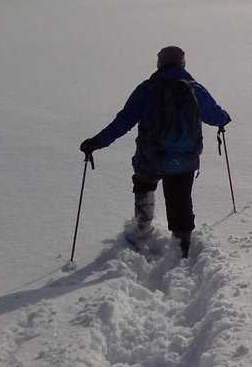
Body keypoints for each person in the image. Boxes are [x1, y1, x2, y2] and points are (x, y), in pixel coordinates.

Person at [79, 45, 232, 259]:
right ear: (182, 63)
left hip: (150, 157)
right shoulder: (194, 89)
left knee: (144, 185)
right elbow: (214, 115)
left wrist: (96, 142)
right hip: (184, 159)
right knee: (180, 199)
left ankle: (141, 230)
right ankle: (182, 245)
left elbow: (123, 122)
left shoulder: (147, 89)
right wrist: (224, 118)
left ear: (160, 64)